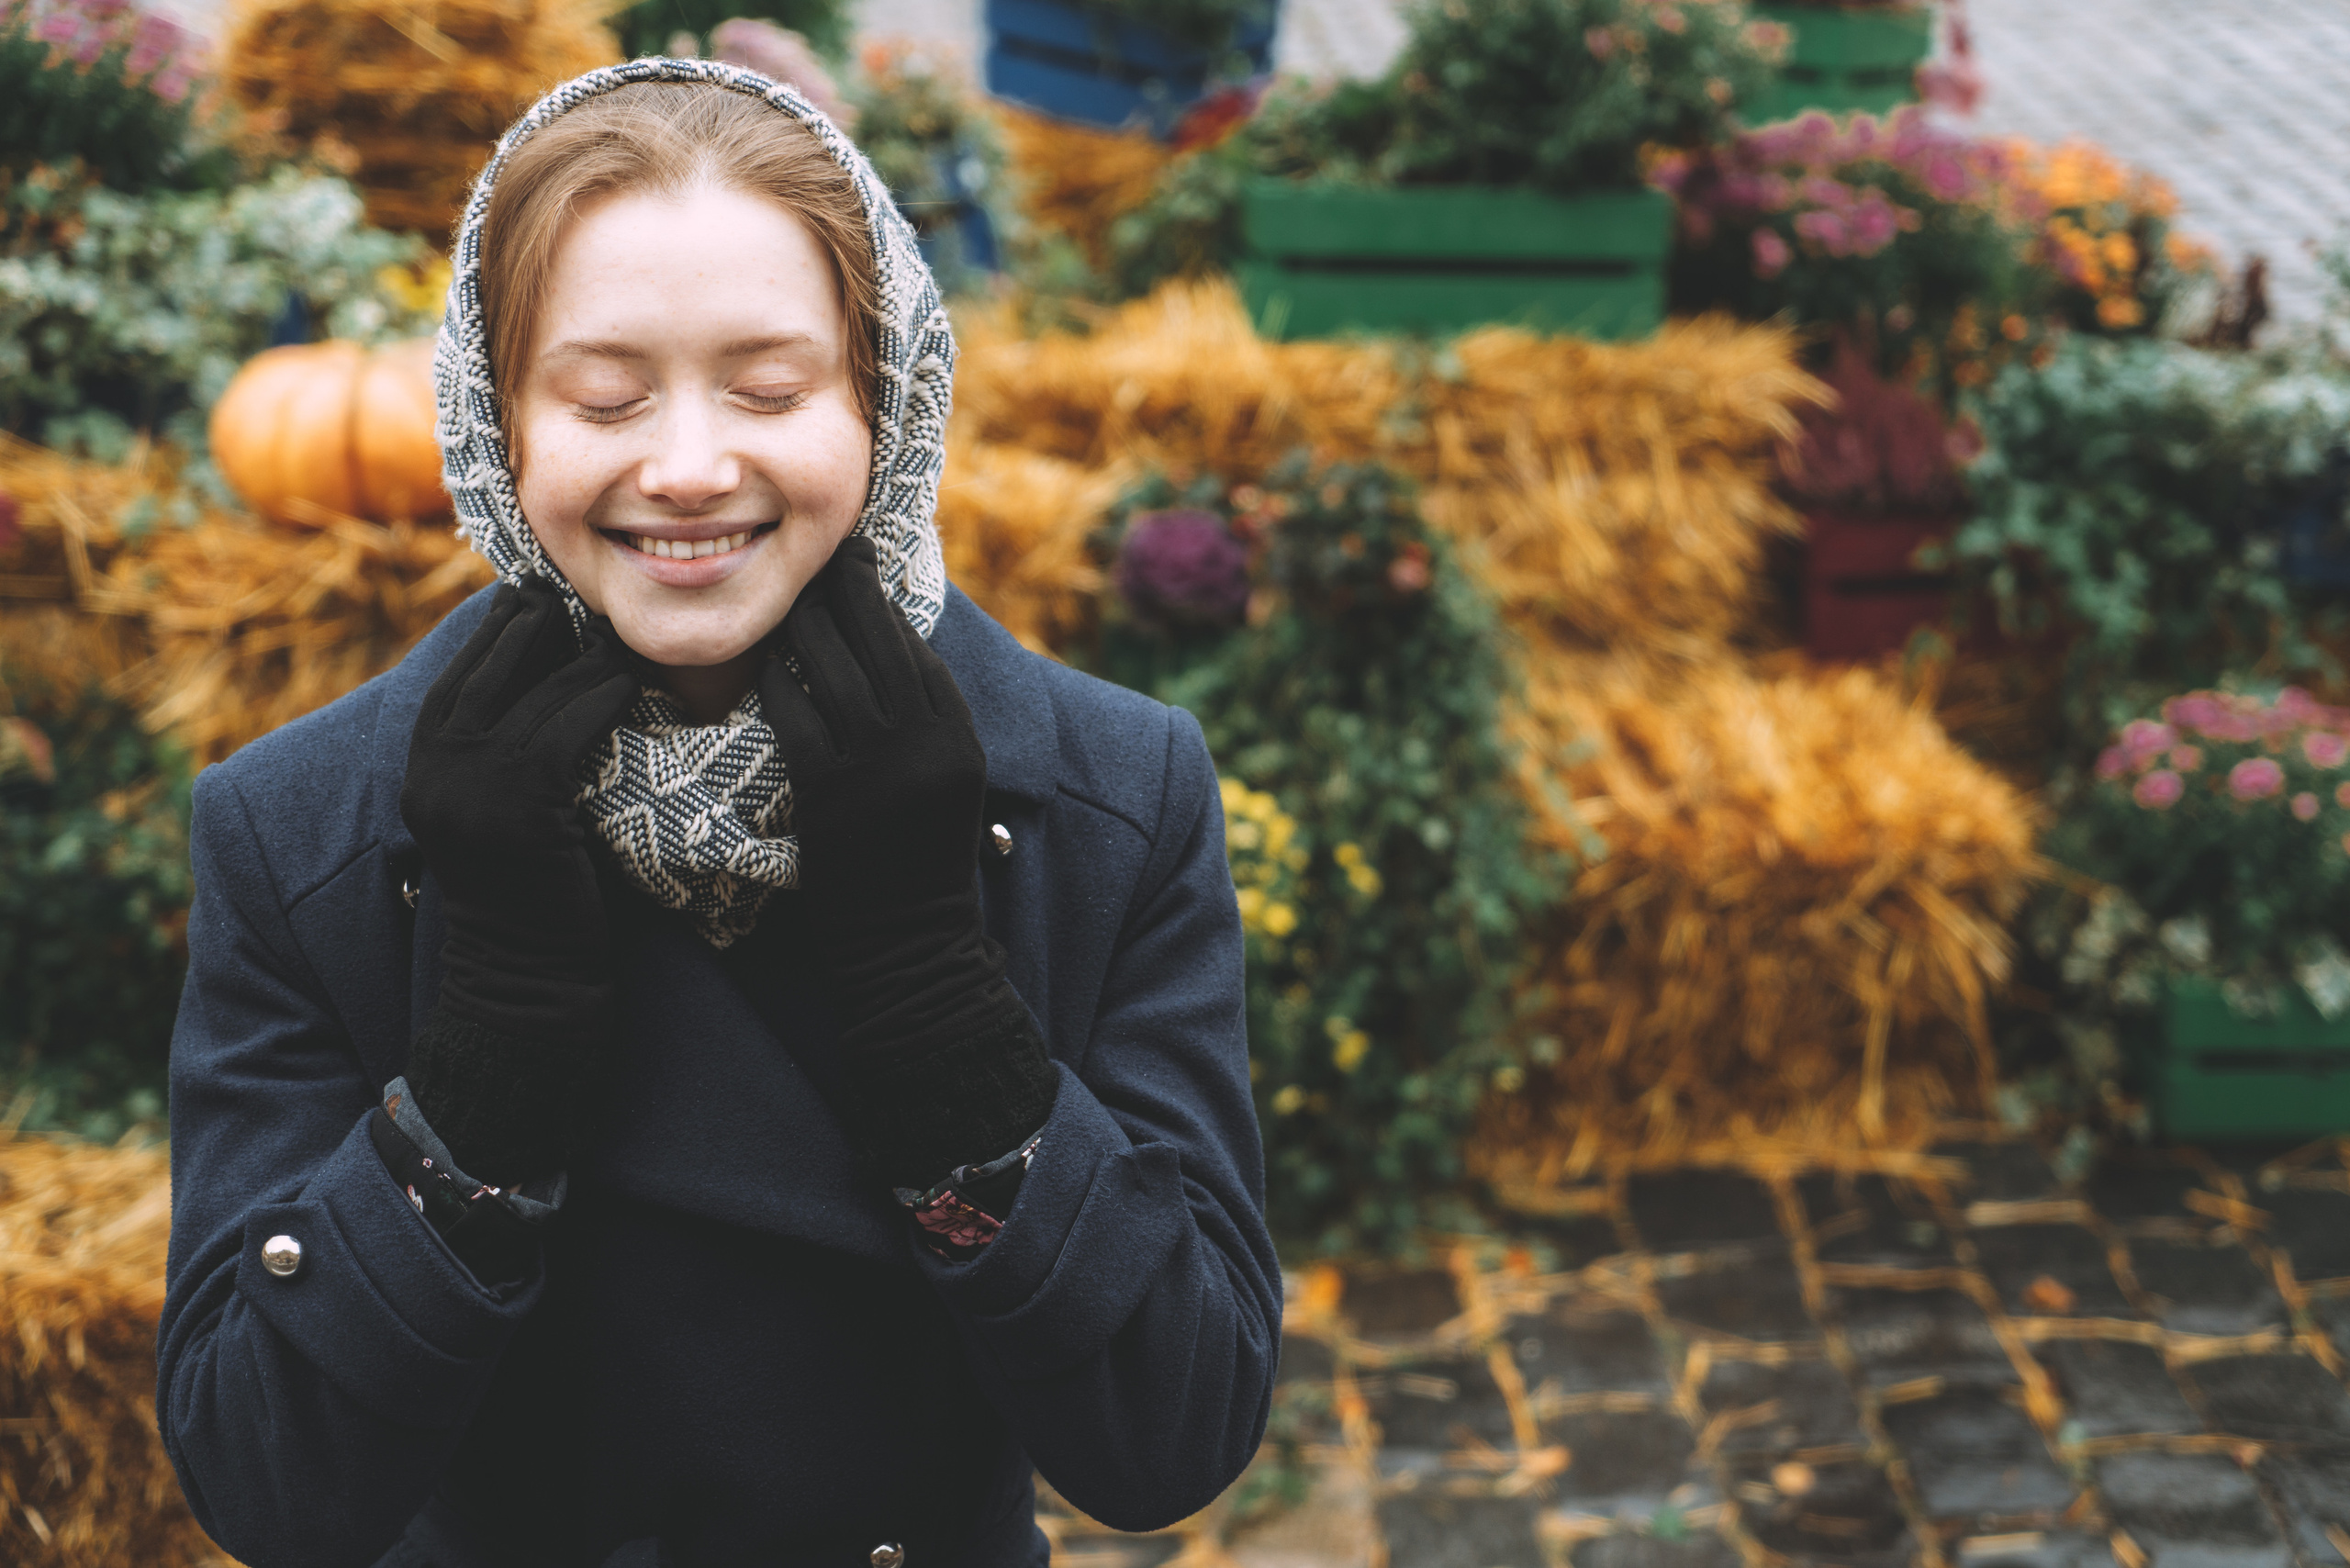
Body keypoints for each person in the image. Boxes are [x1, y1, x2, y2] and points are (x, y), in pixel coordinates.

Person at [155, 60, 1279, 1568]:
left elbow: (1171, 1435)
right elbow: (267, 1486)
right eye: (605, 397)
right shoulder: (306, 833)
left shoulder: (1108, 793)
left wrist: (938, 1003)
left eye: (768, 389)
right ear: (497, 420)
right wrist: (481, 1066)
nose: (688, 470)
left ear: (886, 397)